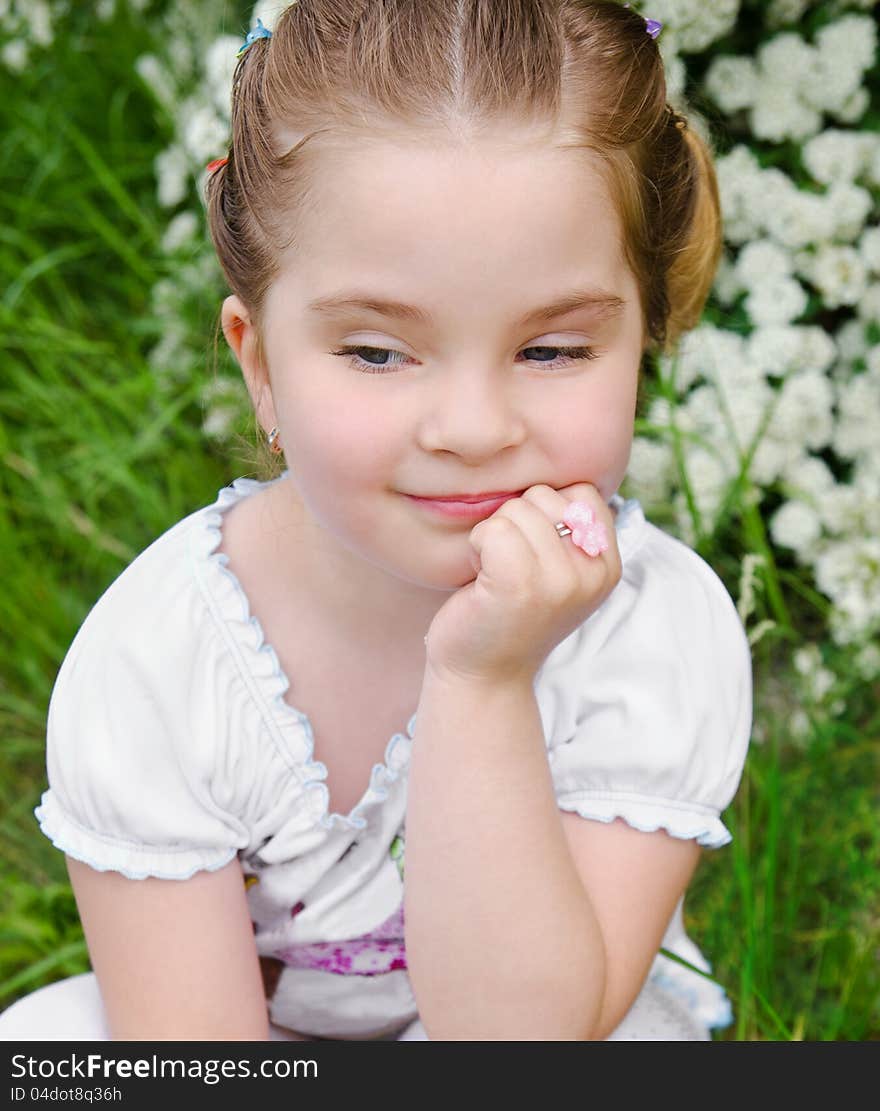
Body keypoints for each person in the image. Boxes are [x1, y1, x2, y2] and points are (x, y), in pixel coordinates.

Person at [1, 0, 752, 1042]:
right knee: (50, 1050)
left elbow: (524, 1045)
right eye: (375, 352)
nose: (474, 428)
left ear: (641, 338)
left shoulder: (651, 635)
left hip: (555, 1018)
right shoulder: (162, 661)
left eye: (551, 350)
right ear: (259, 362)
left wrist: (482, 680)